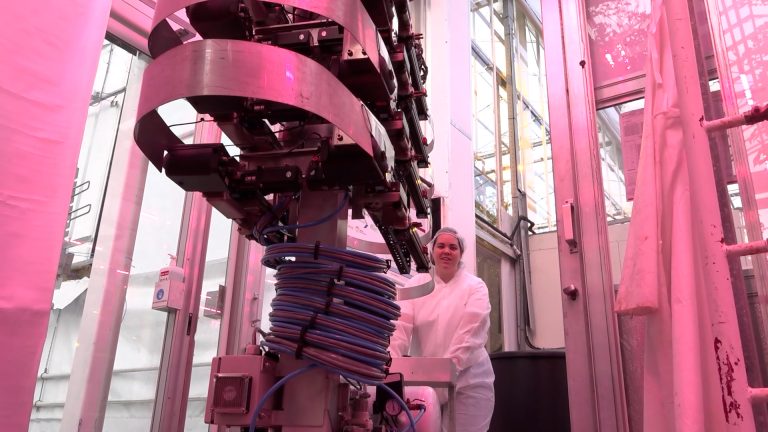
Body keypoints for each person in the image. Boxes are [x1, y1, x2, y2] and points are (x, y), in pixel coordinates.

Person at [389, 227, 495, 432]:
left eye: (453, 247)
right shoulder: (416, 285)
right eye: (441, 246)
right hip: (425, 381)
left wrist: (447, 373)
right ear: (432, 251)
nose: (446, 251)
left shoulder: (475, 287)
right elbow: (398, 329)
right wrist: (390, 374)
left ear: (461, 253)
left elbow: (470, 335)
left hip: (470, 380)